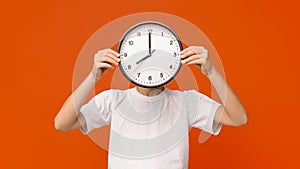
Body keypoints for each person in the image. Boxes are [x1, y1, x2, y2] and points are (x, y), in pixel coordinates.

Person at [54, 46, 248, 169]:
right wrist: (92, 77)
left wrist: (211, 72)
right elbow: (61, 123)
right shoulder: (113, 100)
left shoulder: (186, 101)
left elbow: (239, 118)